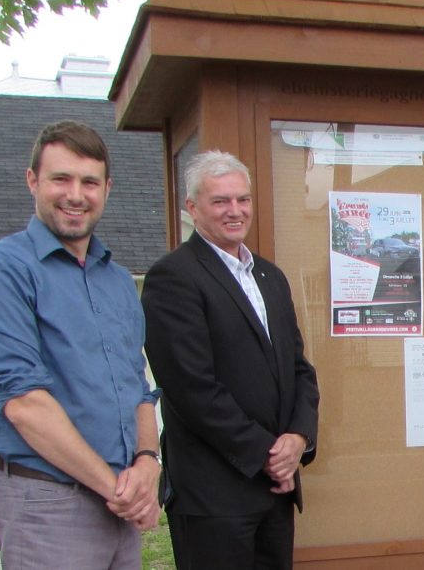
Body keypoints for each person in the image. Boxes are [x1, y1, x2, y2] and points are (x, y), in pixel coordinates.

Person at [0, 121, 161, 568]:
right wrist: (117, 490)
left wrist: (148, 462)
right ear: (33, 181)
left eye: (89, 182)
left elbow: (137, 386)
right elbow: (24, 403)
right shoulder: (2, 272)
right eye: (61, 179)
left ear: (107, 189)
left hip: (120, 501)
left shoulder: (117, 281)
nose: (76, 194)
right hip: (47, 504)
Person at [142, 150, 320, 570]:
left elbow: (299, 369)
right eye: (220, 201)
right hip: (214, 496)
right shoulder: (173, 278)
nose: (235, 210)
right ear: (193, 208)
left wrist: (299, 437)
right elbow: (192, 389)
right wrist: (268, 455)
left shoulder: (270, 277)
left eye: (243, 199)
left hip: (274, 492)